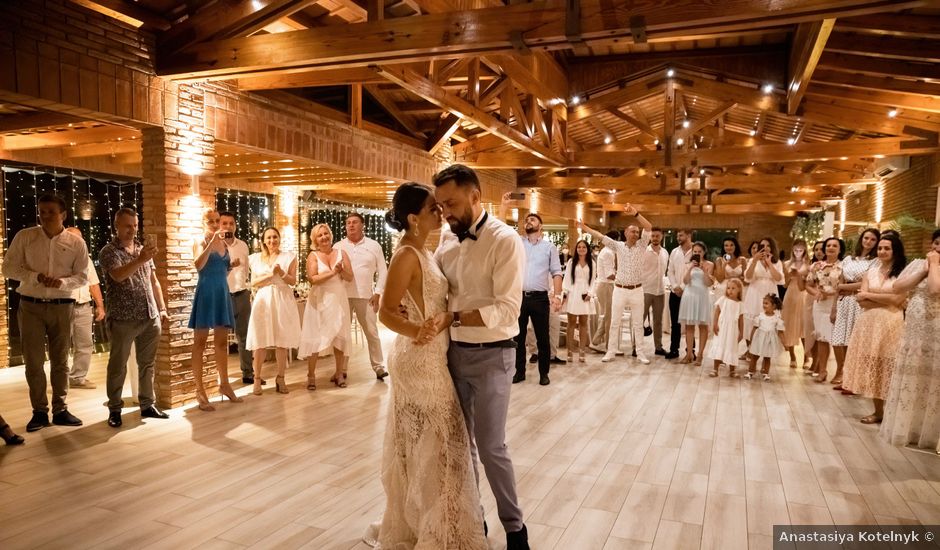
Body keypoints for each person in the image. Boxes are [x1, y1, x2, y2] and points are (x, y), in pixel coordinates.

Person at [368, 182, 487, 549]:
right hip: (419, 359)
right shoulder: (405, 254)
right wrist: (416, 329)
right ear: (412, 218)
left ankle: (434, 521)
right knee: (441, 443)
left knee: (433, 444)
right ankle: (435, 527)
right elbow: (386, 312)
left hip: (433, 355)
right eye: (433, 209)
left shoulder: (424, 252)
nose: (440, 213)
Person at [433, 165, 529, 549]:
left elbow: (507, 309)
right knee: (461, 445)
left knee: (491, 447)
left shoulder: (505, 241)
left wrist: (452, 316)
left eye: (452, 203)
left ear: (476, 196)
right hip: (453, 353)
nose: (446, 213)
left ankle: (515, 528)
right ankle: (476, 520)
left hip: (494, 355)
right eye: (440, 206)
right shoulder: (446, 239)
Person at [2, 193, 89, 432]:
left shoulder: (76, 243)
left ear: (63, 214)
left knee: (61, 361)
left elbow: (82, 276)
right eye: (42, 210)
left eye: (51, 211)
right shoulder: (26, 237)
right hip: (30, 305)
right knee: (33, 361)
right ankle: (39, 412)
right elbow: (8, 267)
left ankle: (60, 409)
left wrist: (62, 283)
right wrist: (34, 277)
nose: (45, 215)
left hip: (63, 306)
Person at [99, 207, 170, 428]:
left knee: (147, 364)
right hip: (123, 318)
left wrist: (162, 308)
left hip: (149, 315)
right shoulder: (109, 251)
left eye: (135, 226)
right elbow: (118, 276)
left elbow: (153, 280)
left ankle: (148, 404)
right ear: (116, 226)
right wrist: (140, 260)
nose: (132, 230)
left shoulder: (142, 249)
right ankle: (115, 408)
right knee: (118, 365)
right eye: (127, 225)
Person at [881, 229, 940, 451]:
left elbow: (935, 289)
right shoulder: (918, 264)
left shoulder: (934, 266)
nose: (937, 249)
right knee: (912, 377)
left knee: (933, 379)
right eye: (936, 243)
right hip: (915, 331)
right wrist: (924, 270)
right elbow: (898, 287)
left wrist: (934, 266)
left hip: (936, 332)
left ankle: (931, 435)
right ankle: (908, 430)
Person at [841, 234, 907, 424]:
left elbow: (897, 300)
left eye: (887, 248)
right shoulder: (870, 272)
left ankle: (893, 413)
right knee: (874, 364)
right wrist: (883, 298)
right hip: (869, 323)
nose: (882, 252)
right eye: (880, 248)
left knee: (889, 365)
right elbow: (861, 301)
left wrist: (871, 295)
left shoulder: (902, 274)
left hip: (891, 323)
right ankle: (878, 411)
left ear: (895, 251)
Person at [579, 206, 654, 364]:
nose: (635, 233)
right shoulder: (618, 246)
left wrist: (635, 213)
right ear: (625, 233)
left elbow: (649, 227)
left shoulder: (642, 245)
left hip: (637, 290)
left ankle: (640, 352)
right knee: (614, 322)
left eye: (636, 231)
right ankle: (611, 351)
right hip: (619, 289)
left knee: (638, 323)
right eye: (632, 231)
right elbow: (601, 236)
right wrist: (585, 228)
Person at [504, 195, 562, 385]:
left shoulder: (549, 247)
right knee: (518, 336)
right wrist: (504, 206)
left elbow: (556, 273)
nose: (528, 221)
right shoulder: (517, 242)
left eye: (533, 219)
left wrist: (558, 296)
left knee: (542, 337)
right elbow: (501, 231)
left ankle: (543, 373)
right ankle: (519, 371)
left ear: (540, 226)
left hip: (540, 299)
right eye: (527, 219)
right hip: (519, 297)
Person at [188, 208, 240, 411]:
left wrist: (230, 267)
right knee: (199, 343)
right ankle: (199, 390)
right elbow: (198, 266)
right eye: (211, 221)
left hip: (221, 293)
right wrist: (209, 243)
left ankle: (224, 384)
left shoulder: (224, 243)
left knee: (221, 343)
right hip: (206, 294)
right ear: (203, 222)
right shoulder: (200, 241)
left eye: (217, 220)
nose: (215, 224)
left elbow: (220, 271)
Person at [246, 227, 301, 395]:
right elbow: (254, 282)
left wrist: (281, 273)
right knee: (260, 341)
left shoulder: (289, 257)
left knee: (282, 341)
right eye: (268, 238)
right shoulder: (255, 259)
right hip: (263, 301)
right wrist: (271, 275)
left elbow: (292, 281)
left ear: (279, 238)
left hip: (282, 299)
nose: (272, 241)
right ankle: (257, 379)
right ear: (263, 240)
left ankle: (281, 378)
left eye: (275, 237)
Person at [299, 224, 353, 389]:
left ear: (330, 235)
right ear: (315, 239)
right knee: (315, 338)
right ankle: (311, 376)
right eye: (320, 235)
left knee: (339, 337)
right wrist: (333, 272)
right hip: (319, 299)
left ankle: (339, 373)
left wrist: (341, 271)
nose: (324, 237)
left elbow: (350, 277)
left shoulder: (341, 253)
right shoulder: (313, 256)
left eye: (326, 234)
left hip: (338, 298)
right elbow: (313, 278)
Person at [338, 212, 389, 380]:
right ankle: (342, 369)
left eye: (354, 222)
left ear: (362, 225)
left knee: (372, 332)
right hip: (342, 296)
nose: (351, 225)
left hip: (366, 295)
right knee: (342, 334)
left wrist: (378, 292)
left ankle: (379, 366)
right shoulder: (338, 246)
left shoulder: (374, 246)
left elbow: (383, 271)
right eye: (348, 223)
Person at [830, 228, 880, 389]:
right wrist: (834, 307)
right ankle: (840, 370)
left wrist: (847, 286)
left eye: (873, 239)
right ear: (861, 239)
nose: (868, 242)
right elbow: (838, 284)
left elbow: (868, 282)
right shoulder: (848, 259)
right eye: (866, 238)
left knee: (853, 340)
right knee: (838, 339)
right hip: (843, 301)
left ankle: (852, 377)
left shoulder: (875, 262)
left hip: (859, 302)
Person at [65, 227, 105, 390]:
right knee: (60, 345)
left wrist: (100, 306)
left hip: (83, 307)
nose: (78, 241)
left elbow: (93, 283)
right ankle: (60, 379)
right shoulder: (59, 257)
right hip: (63, 306)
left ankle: (77, 377)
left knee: (85, 344)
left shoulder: (86, 259)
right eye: (74, 238)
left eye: (80, 238)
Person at [220, 211, 257, 385]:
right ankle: (220, 378)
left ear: (235, 225)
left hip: (241, 294)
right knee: (220, 339)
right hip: (222, 296)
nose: (228, 226)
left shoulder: (243, 245)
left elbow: (246, 270)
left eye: (231, 223)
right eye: (224, 223)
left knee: (245, 336)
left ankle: (248, 373)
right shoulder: (215, 246)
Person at [805, 238, 845, 383]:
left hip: (836, 304)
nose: (831, 248)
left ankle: (841, 371)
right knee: (821, 338)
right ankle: (822, 371)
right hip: (820, 305)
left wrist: (832, 293)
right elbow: (808, 284)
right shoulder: (817, 266)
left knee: (836, 339)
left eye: (835, 245)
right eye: (828, 245)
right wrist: (816, 293)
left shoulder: (843, 266)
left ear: (840, 249)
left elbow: (845, 286)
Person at [677, 241, 714, 365]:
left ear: (704, 252)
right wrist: (691, 268)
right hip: (689, 295)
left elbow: (709, 283)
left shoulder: (709, 264)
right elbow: (686, 281)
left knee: (703, 326)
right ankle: (689, 354)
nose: (697, 253)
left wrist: (704, 270)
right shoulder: (688, 264)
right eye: (695, 252)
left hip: (702, 296)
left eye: (699, 252)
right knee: (689, 326)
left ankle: (700, 355)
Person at [562, 239, 596, 363]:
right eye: (579, 247)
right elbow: (566, 278)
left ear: (587, 249)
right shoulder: (572, 261)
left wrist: (590, 293)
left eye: (583, 247)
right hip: (573, 293)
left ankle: (582, 351)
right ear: (576, 249)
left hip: (585, 294)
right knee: (571, 323)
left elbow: (593, 280)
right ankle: (569, 351)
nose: (581, 249)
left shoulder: (592, 262)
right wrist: (564, 292)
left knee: (583, 323)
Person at [742, 237, 783, 339]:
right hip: (755, 292)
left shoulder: (777, 262)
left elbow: (779, 278)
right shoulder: (752, 260)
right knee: (752, 322)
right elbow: (748, 277)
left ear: (772, 247)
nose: (765, 248)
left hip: (770, 292)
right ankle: (750, 350)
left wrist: (769, 263)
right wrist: (754, 261)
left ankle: (767, 351)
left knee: (769, 322)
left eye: (768, 245)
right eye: (762, 245)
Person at [706, 277, 745, 378]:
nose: (730, 290)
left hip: (733, 330)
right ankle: (715, 369)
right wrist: (714, 324)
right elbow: (717, 312)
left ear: (739, 290)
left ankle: (732, 370)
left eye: (733, 288)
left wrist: (741, 332)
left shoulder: (740, 304)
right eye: (728, 288)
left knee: (732, 348)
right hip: (722, 328)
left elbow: (741, 319)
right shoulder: (723, 299)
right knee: (720, 345)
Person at [666, 229, 694, 359]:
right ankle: (674, 350)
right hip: (674, 292)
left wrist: (683, 287)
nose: (678, 237)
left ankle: (690, 350)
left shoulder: (695, 251)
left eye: (681, 235)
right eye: (677, 235)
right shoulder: (674, 252)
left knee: (689, 323)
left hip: (690, 292)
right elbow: (670, 271)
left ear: (689, 235)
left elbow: (695, 272)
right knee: (675, 323)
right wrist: (675, 286)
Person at [641, 227, 669, 356]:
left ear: (662, 236)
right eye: (653, 236)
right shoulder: (644, 251)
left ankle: (658, 347)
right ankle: (637, 348)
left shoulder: (665, 253)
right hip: (646, 290)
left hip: (660, 291)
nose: (655, 238)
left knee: (658, 321)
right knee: (640, 320)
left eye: (658, 236)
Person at [744, 294, 785, 381]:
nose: (764, 305)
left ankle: (765, 372)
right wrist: (751, 339)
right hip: (759, 339)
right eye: (763, 303)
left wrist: (784, 342)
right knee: (754, 356)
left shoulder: (776, 318)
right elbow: (754, 328)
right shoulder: (760, 316)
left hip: (770, 340)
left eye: (766, 303)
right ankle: (750, 371)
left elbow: (780, 331)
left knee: (767, 357)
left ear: (773, 306)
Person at [781, 239, 808, 368]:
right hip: (791, 294)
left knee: (804, 326)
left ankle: (807, 357)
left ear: (805, 251)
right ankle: (792, 356)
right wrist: (789, 276)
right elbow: (784, 284)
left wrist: (799, 276)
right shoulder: (787, 264)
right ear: (792, 250)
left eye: (801, 250)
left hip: (803, 294)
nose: (798, 252)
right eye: (796, 250)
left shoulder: (808, 264)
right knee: (789, 325)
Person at [590, 231, 619, 352]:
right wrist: (623, 277)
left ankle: (596, 341)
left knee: (608, 315)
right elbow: (609, 275)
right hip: (606, 285)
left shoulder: (608, 251)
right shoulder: (608, 253)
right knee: (609, 318)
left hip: (604, 285)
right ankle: (609, 346)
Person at [802, 240, 826, 371]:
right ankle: (814, 359)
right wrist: (815, 292)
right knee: (811, 332)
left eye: (821, 249)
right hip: (811, 299)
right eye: (816, 249)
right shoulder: (812, 266)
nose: (819, 252)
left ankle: (820, 363)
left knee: (821, 332)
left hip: (825, 299)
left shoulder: (832, 266)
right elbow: (806, 285)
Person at [713, 237, 747, 302]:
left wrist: (728, 277)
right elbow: (720, 279)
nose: (729, 247)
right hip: (723, 288)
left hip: (738, 288)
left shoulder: (742, 260)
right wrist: (724, 265)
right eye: (726, 245)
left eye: (731, 245)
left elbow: (745, 279)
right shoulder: (719, 260)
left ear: (735, 246)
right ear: (723, 247)